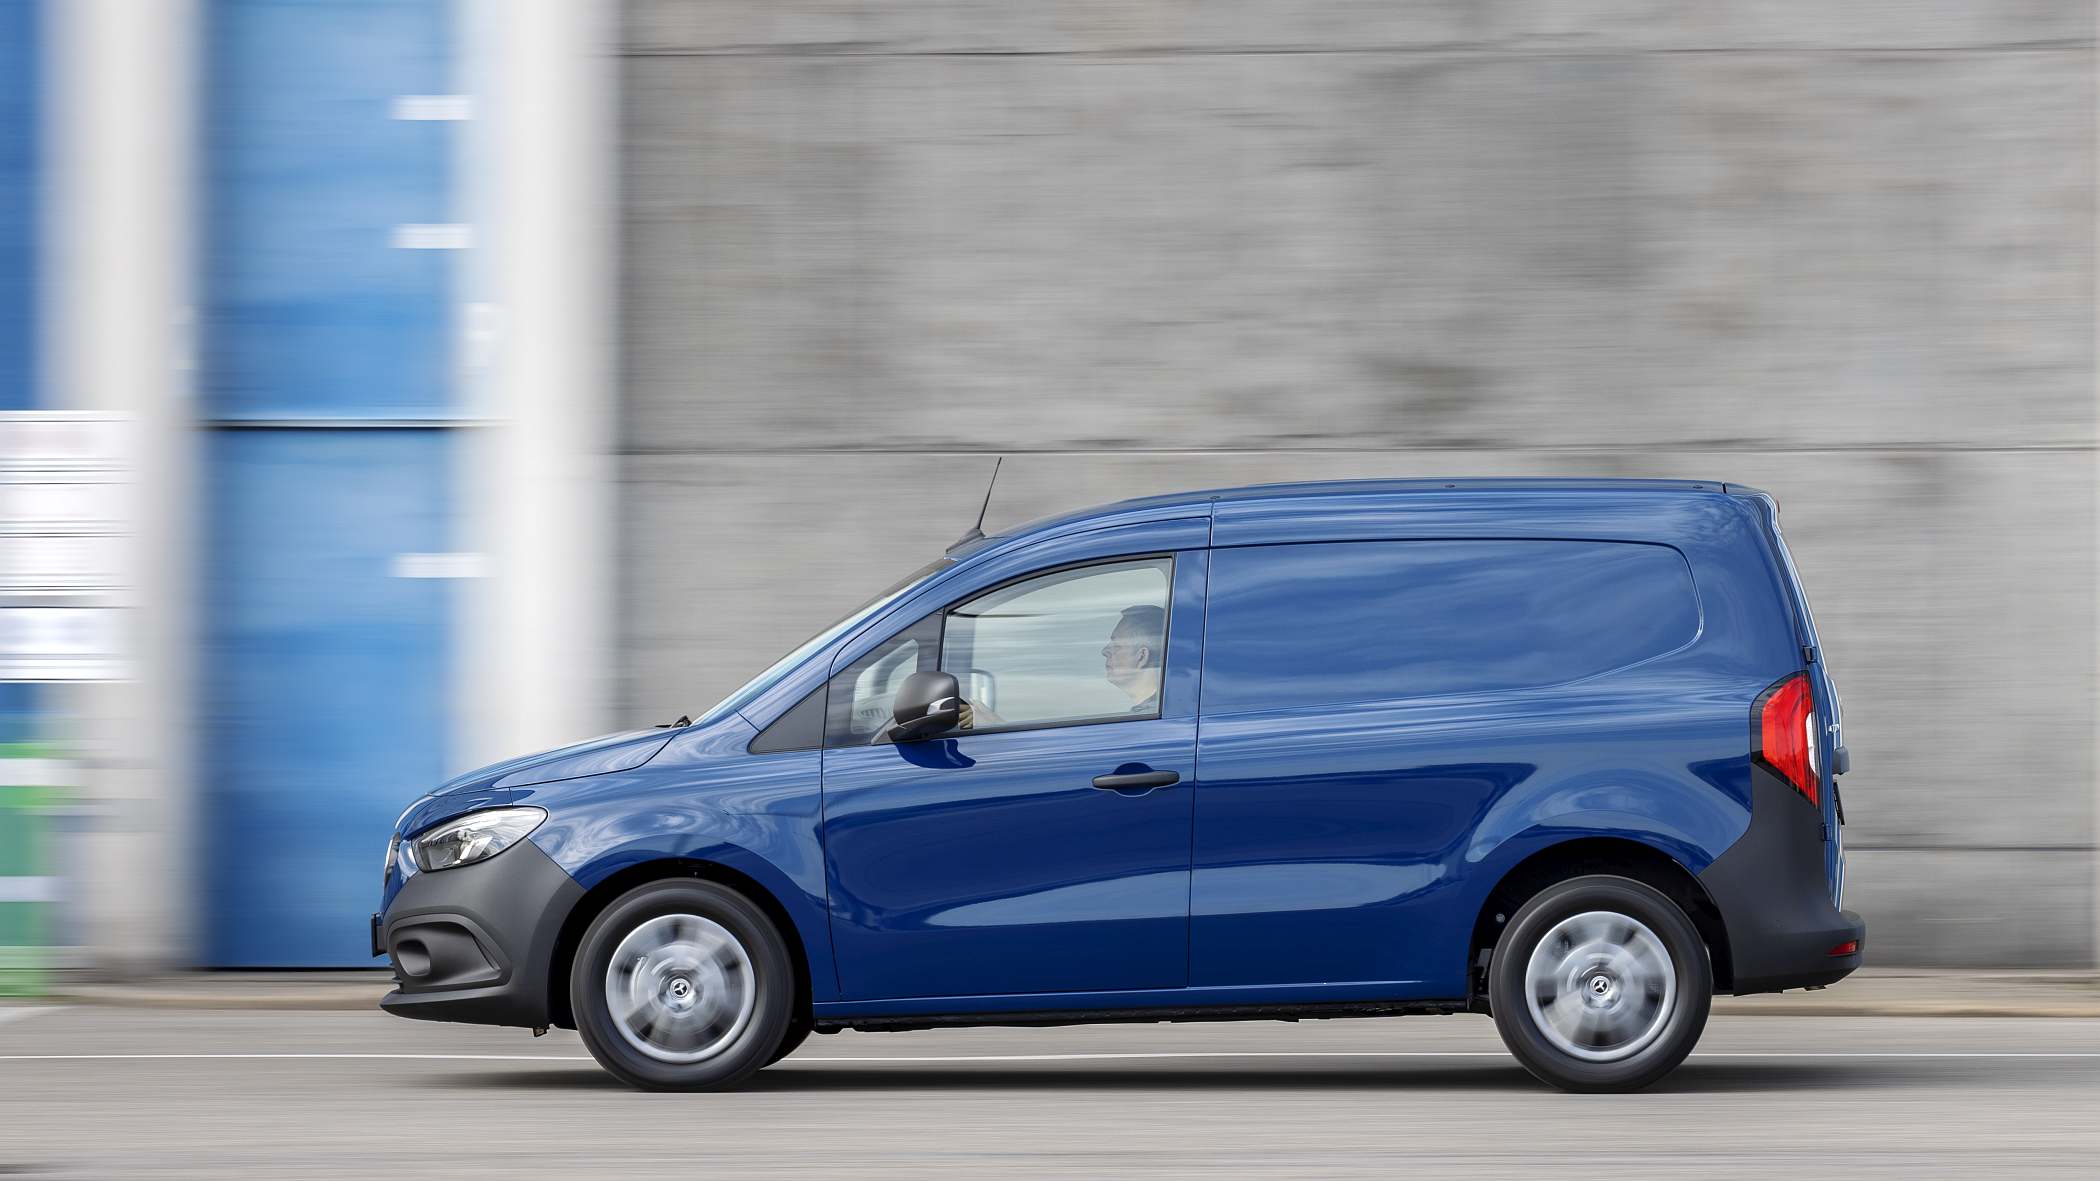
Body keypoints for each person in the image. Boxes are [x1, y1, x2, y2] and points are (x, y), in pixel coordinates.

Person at [953, 601, 1166, 731]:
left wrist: (996, 730)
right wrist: (996, 725)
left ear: (1142, 656)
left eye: (1117, 645)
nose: (1104, 651)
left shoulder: (1148, 725)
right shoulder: (1151, 716)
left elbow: (1082, 761)